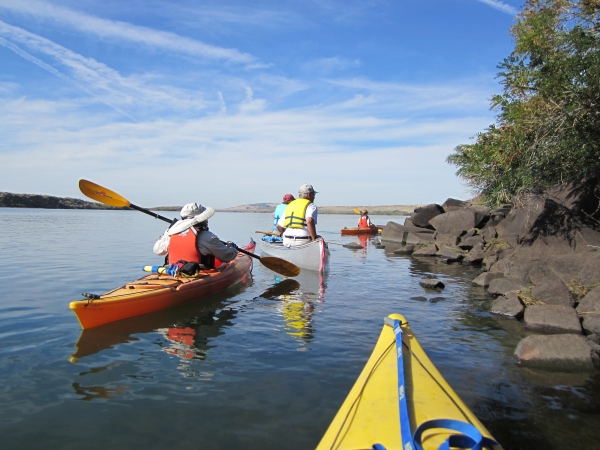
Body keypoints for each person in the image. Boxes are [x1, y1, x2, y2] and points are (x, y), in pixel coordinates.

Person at [153, 203, 238, 268]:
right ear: (201, 219)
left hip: (174, 271)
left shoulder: (170, 233)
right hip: (200, 274)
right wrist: (232, 248)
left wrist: (168, 231)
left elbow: (158, 251)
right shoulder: (208, 237)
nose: (207, 220)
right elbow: (227, 256)